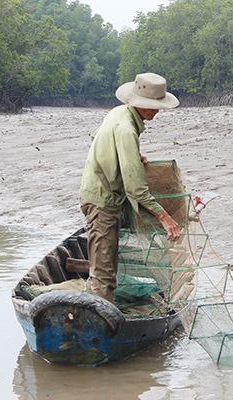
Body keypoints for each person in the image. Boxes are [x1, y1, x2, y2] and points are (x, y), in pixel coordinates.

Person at [79, 72, 181, 304]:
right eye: (151, 106)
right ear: (137, 102)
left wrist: (133, 157)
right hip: (101, 200)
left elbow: (99, 139)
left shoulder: (119, 112)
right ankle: (98, 320)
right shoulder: (126, 129)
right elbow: (136, 189)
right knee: (103, 272)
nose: (156, 111)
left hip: (98, 193)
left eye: (158, 106)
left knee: (106, 263)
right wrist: (164, 216)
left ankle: (101, 305)